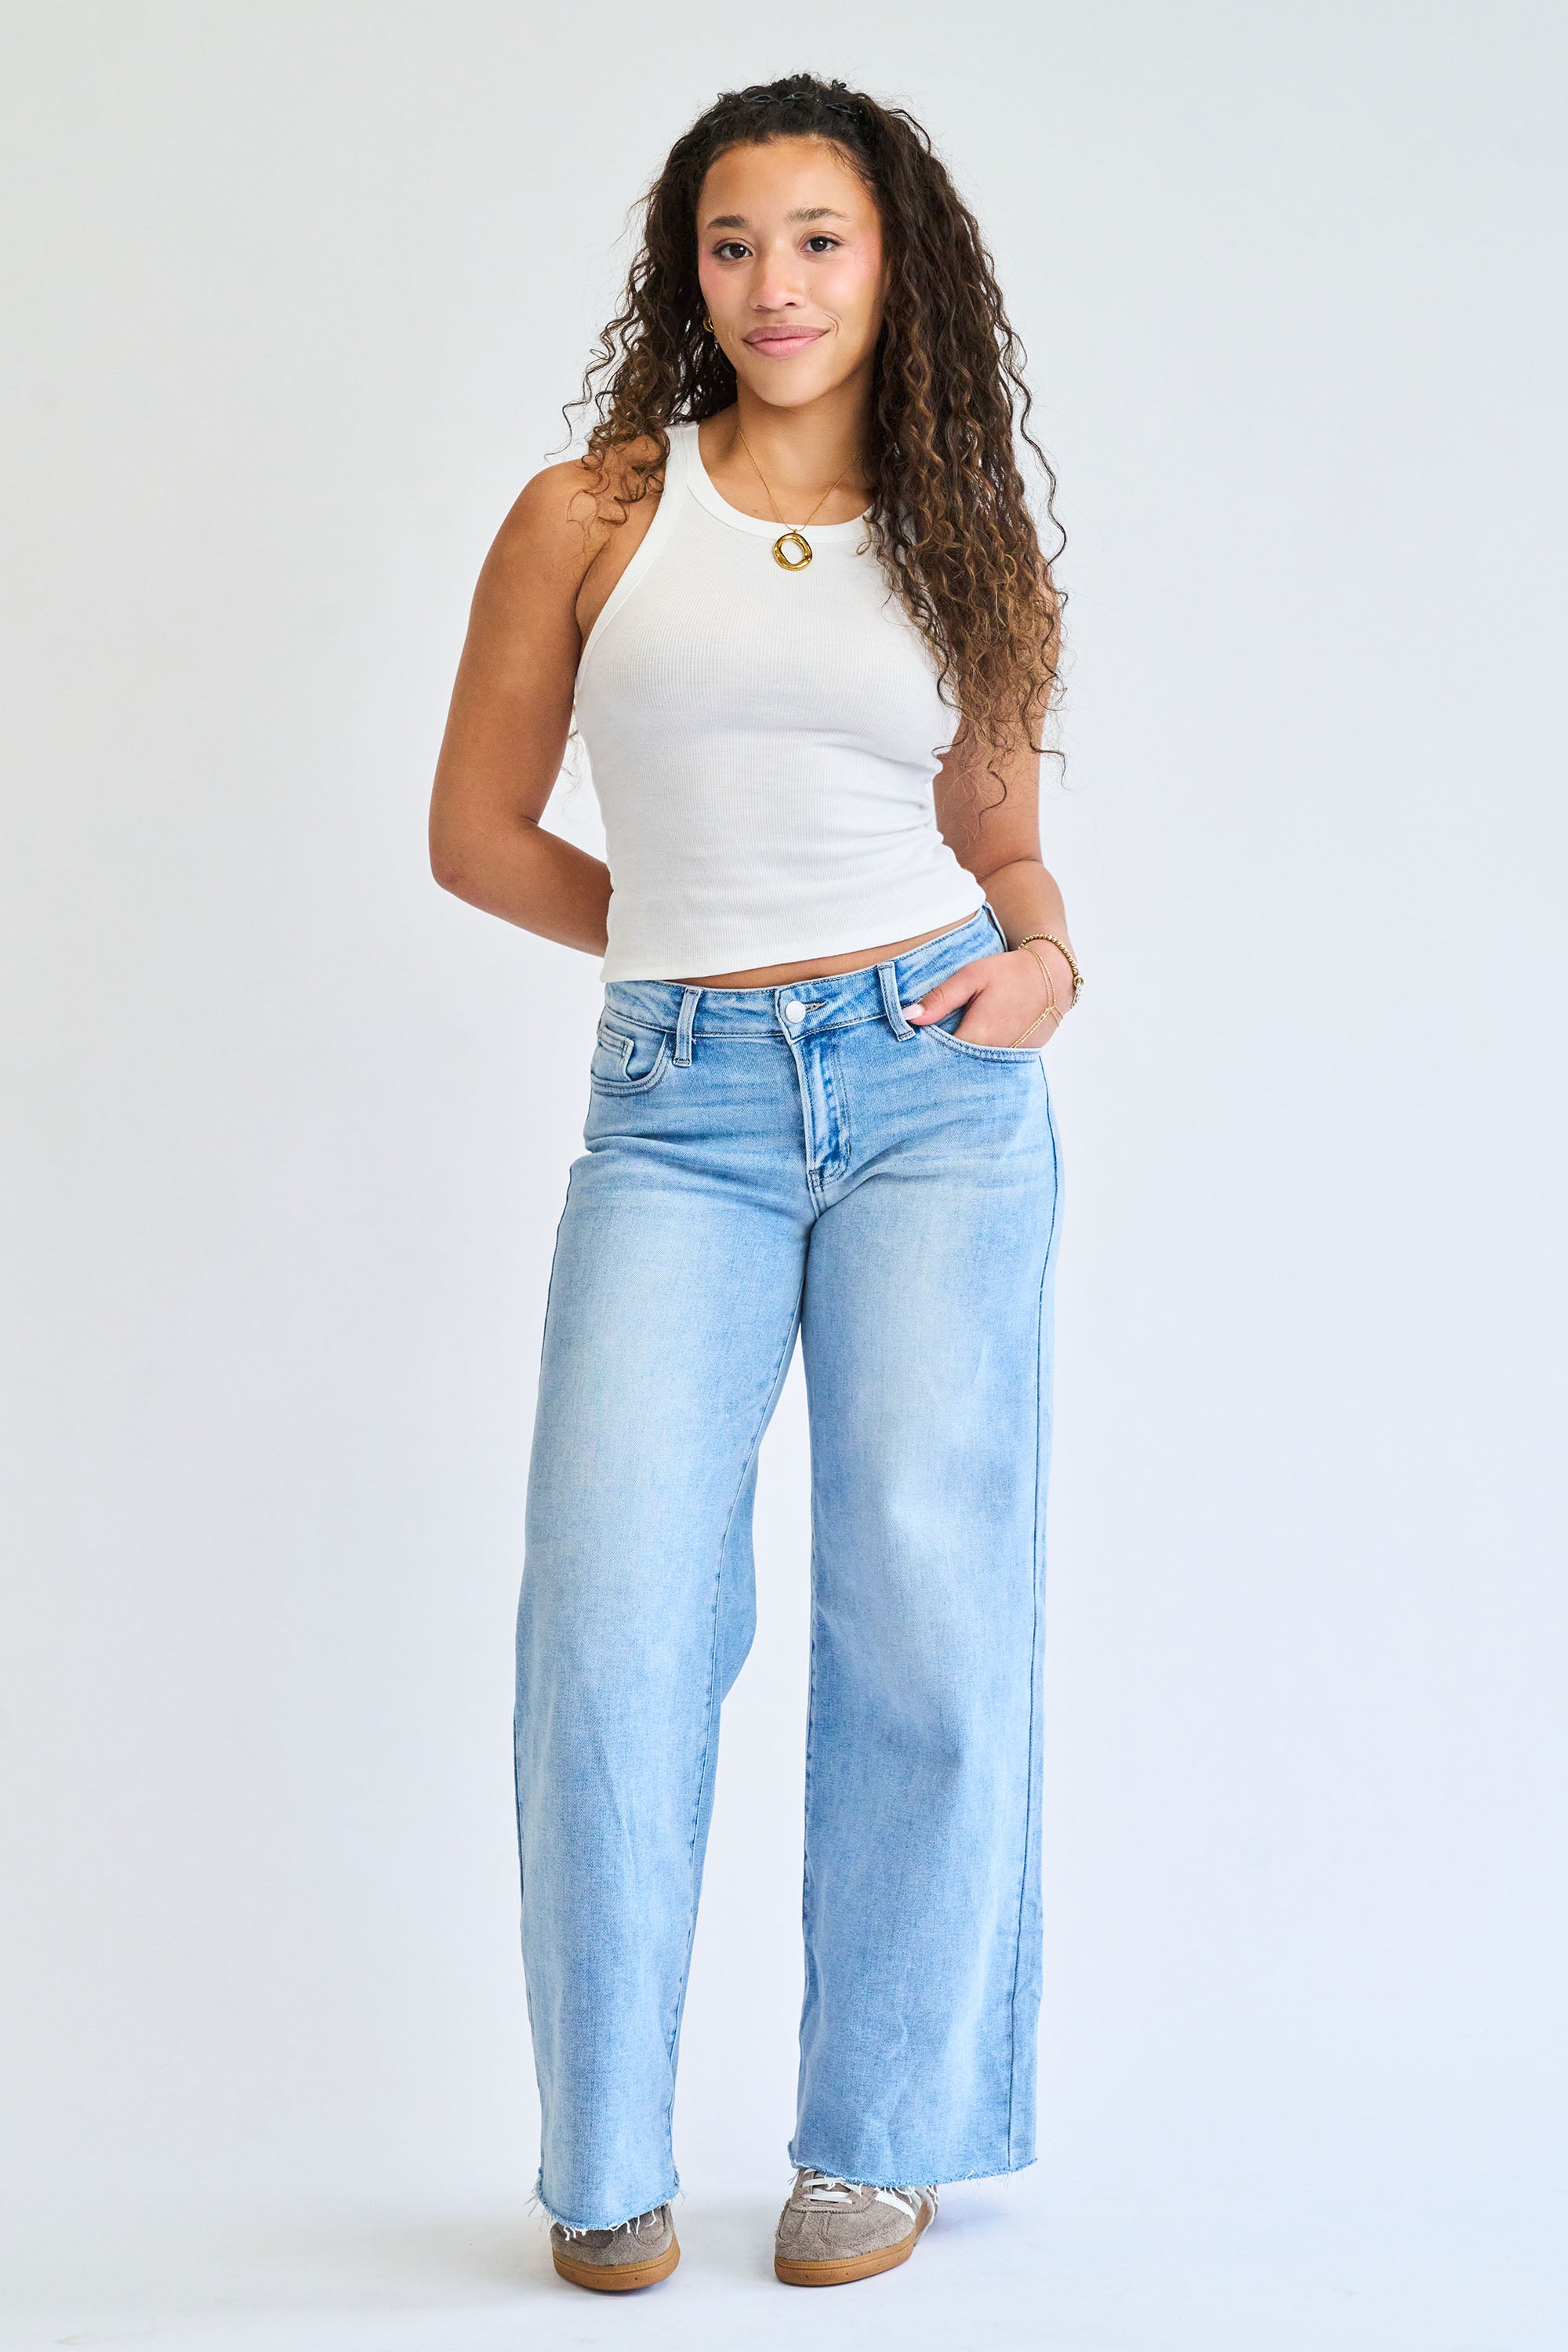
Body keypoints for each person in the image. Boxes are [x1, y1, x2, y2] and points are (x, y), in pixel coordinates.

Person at [428, 71, 1078, 2294]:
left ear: (894, 262)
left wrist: (1047, 955)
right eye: (733, 242)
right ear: (683, 270)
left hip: (934, 1095)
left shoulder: (968, 532)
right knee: (611, 1617)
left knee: (923, 1600)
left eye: (818, 238)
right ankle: (604, 2156)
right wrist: (701, 974)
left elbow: (998, 842)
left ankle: (876, 2132)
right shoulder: (594, 514)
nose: (774, 284)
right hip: (679, 1111)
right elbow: (480, 832)